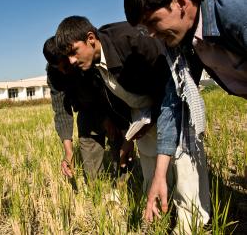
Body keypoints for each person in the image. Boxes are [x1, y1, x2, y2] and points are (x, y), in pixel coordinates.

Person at [124, 0, 247, 232]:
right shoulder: (182, 42)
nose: (153, 35)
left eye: (153, 23)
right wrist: (160, 175)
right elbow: (173, 101)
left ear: (180, 2)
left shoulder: (238, 11)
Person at [55, 16, 195, 229]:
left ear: (90, 39)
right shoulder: (90, 66)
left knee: (183, 163)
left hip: (172, 103)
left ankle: (190, 224)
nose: (72, 61)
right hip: (141, 113)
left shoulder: (131, 41)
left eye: (74, 52)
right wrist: (129, 135)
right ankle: (161, 219)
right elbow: (113, 100)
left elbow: (168, 78)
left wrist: (154, 116)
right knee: (150, 165)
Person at [43, 36, 134, 182]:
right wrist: (69, 152)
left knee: (123, 161)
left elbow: (110, 90)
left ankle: (124, 187)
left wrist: (109, 117)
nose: (64, 72)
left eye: (66, 66)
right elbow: (61, 109)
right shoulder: (55, 73)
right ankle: (98, 193)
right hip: (86, 110)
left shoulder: (87, 57)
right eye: (58, 69)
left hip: (113, 106)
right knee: (92, 176)